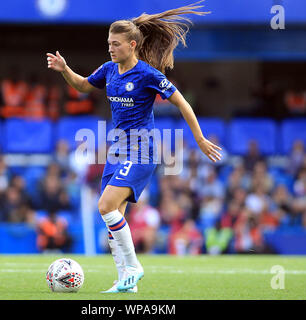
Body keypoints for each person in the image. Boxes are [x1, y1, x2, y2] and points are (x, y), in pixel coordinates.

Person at [46, 1, 221, 293]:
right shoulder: (108, 69)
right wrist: (65, 69)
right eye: (108, 44)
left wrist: (200, 138)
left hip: (141, 151)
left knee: (105, 205)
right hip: (117, 151)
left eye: (115, 44)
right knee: (113, 216)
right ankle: (127, 282)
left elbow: (182, 103)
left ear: (131, 44)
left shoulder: (148, 75)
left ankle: (135, 268)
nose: (110, 49)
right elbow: (83, 86)